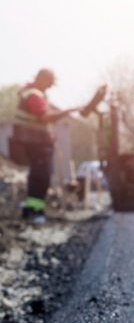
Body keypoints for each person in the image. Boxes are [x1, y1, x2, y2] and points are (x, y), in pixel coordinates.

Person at [11, 70, 80, 222]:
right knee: (40, 176)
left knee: (38, 175)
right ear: (42, 79)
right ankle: (35, 212)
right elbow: (44, 117)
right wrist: (68, 111)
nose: (48, 88)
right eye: (49, 84)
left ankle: (32, 210)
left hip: (35, 143)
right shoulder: (34, 94)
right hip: (37, 144)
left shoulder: (29, 92)